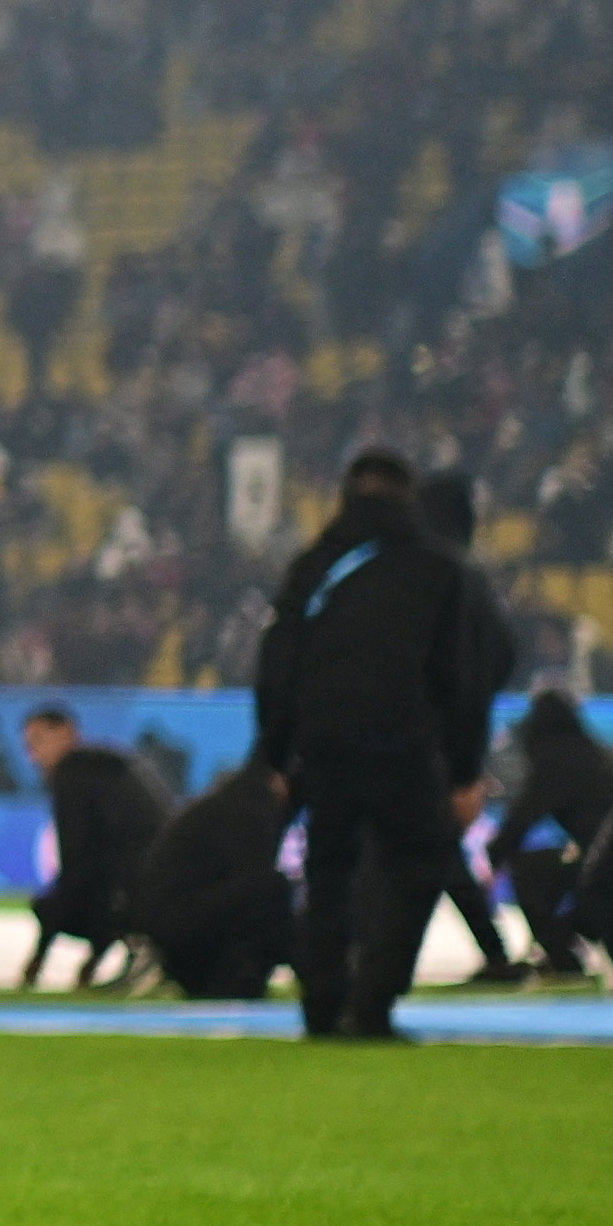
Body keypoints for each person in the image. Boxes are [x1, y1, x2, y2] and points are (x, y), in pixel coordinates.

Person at [255, 445, 499, 1042]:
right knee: (423, 863)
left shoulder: (313, 566)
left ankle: (320, 1009)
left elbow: (277, 661)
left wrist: (274, 754)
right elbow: (456, 678)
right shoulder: (436, 566)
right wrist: (464, 770)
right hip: (402, 743)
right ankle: (373, 1003)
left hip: (325, 745)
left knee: (327, 875)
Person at [414, 470, 527, 981]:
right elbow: (500, 659)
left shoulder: (431, 580)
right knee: (432, 850)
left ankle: (370, 961)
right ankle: (494, 951)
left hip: (421, 744)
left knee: (418, 848)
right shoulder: (473, 585)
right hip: (449, 745)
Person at [15, 702, 168, 991]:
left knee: (57, 903)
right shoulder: (109, 765)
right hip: (161, 876)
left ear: (66, 733)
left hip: (140, 884)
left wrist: (40, 952)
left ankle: (140, 945)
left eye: (37, 741)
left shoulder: (73, 776)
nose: (33, 755)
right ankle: (141, 945)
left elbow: (79, 861)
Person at [135, 751, 301, 998]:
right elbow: (257, 887)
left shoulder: (232, 802)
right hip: (185, 931)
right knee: (272, 889)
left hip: (178, 930)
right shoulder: (251, 809)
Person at [487, 689, 609, 979]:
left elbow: (519, 822)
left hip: (602, 869)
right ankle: (563, 941)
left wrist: (493, 858)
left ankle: (559, 949)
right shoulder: (595, 755)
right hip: (600, 861)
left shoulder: (558, 763)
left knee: (530, 869)